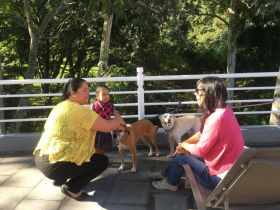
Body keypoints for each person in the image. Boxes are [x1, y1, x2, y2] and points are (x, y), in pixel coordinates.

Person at [33, 78, 125, 200]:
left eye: (88, 90)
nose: (88, 93)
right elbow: (107, 127)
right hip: (54, 166)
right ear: (73, 93)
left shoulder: (60, 106)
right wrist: (118, 119)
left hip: (41, 158)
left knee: (75, 148)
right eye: (85, 90)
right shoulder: (81, 111)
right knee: (101, 161)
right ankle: (72, 189)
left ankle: (60, 179)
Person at [149, 76, 244, 191]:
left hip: (218, 180)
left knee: (181, 155)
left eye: (197, 91)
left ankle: (170, 182)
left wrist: (183, 146)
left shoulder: (216, 118)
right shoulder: (225, 111)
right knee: (183, 150)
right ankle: (166, 174)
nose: (195, 94)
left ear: (209, 93)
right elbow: (201, 134)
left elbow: (201, 150)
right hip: (231, 171)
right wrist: (184, 143)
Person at [91, 84, 121, 154]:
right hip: (97, 130)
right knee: (96, 148)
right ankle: (96, 160)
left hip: (106, 129)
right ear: (97, 96)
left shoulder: (111, 106)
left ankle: (100, 158)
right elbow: (90, 117)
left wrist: (120, 123)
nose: (106, 96)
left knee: (103, 148)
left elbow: (117, 115)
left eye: (108, 94)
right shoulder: (94, 105)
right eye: (103, 94)